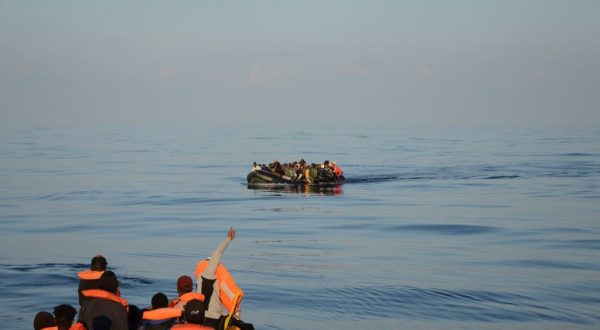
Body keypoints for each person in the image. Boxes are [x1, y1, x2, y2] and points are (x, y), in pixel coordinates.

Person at [195, 227, 236, 328]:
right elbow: (217, 253)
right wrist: (228, 239)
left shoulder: (200, 280)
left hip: (202, 316)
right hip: (213, 318)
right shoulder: (208, 275)